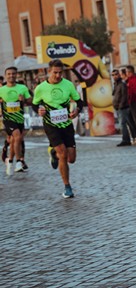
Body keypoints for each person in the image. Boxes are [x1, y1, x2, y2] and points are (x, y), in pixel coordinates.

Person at [32, 59, 84, 198]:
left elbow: (79, 101)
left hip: (66, 124)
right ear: (49, 72)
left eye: (60, 72)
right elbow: (34, 104)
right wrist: (39, 110)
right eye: (55, 72)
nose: (58, 75)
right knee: (63, 154)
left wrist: (77, 110)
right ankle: (67, 187)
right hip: (51, 125)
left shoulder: (68, 85)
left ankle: (53, 153)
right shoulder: (40, 88)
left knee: (71, 158)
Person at [0, 67, 32, 175]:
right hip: (8, 119)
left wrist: (24, 100)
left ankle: (9, 160)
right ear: (6, 75)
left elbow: (31, 101)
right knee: (17, 136)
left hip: (19, 118)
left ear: (16, 75)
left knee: (15, 140)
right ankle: (19, 162)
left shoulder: (22, 87)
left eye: (13, 74)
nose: (11, 76)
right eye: (9, 74)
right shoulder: (1, 90)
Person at [112, 69, 132, 146]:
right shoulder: (116, 84)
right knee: (124, 124)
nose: (114, 76)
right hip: (118, 107)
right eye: (113, 75)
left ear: (119, 75)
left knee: (123, 124)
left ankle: (126, 139)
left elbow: (124, 96)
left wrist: (120, 105)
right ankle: (127, 139)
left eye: (116, 74)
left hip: (123, 107)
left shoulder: (122, 84)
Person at [120, 68, 136, 142]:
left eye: (122, 74)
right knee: (129, 122)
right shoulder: (124, 82)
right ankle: (134, 137)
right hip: (127, 104)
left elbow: (129, 93)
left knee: (131, 122)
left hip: (128, 104)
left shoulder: (127, 82)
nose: (121, 76)